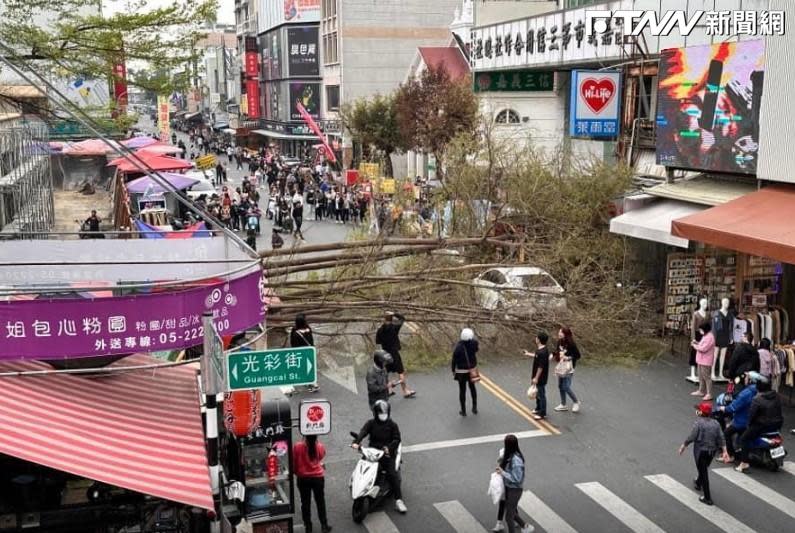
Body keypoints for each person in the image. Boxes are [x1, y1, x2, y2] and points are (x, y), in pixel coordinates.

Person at [352, 400, 406, 513]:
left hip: (386, 453)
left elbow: (397, 439)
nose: (383, 416)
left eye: (384, 413)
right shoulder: (371, 423)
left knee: (392, 474)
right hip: (372, 452)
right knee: (361, 468)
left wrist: (389, 448)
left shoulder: (392, 424)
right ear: (375, 413)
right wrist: (357, 442)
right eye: (381, 413)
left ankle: (399, 500)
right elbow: (363, 431)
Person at [678, 401, 729, 506]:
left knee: (703, 472)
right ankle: (698, 482)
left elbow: (692, 437)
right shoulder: (716, 423)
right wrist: (725, 451)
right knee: (704, 468)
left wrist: (684, 445)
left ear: (701, 412)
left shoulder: (699, 424)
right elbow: (721, 438)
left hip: (701, 451)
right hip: (712, 452)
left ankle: (707, 497)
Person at [736, 375, 783, 473]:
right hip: (777, 424)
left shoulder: (757, 399)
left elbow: (751, 415)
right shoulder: (777, 396)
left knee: (744, 439)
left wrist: (748, 425)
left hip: (762, 426)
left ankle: (744, 463)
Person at [495, 434, 534, 533]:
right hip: (509, 488)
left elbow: (517, 478)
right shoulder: (509, 455)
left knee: (509, 517)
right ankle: (525, 526)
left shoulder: (516, 461)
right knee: (510, 510)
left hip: (514, 490)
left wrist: (503, 473)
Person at [293, 435, 332, 533]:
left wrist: (297, 472)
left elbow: (294, 462)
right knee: (320, 502)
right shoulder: (319, 446)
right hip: (317, 478)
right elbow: (321, 456)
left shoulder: (297, 446)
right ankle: (324, 525)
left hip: (303, 479)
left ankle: (308, 527)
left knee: (305, 503)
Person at [718, 371, 759, 463]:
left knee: (726, 434)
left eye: (747, 377)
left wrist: (724, 408)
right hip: (753, 420)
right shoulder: (758, 391)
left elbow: (733, 407)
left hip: (742, 420)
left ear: (751, 380)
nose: (745, 379)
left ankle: (730, 455)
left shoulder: (746, 393)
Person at [375, 311, 416, 398]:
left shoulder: (380, 330)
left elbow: (377, 342)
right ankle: (405, 391)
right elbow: (402, 318)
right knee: (400, 371)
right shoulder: (394, 327)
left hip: (385, 353)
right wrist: (394, 313)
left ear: (384, 319)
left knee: (386, 371)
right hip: (394, 353)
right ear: (391, 318)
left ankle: (389, 390)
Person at [451, 328, 478, 416]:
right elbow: (476, 349)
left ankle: (463, 411)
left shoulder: (458, 347)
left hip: (461, 372)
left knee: (462, 390)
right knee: (472, 388)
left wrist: (453, 370)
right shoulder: (474, 344)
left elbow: (454, 360)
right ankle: (474, 407)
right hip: (471, 370)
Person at [553, 327, 580, 413]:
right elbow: (557, 352)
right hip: (561, 366)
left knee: (566, 386)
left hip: (569, 367)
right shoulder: (559, 342)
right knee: (560, 385)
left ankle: (576, 402)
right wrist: (552, 355)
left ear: (565, 334)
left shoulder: (571, 344)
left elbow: (578, 356)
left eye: (560, 332)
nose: (559, 333)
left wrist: (567, 357)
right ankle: (563, 404)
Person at [290, 314, 319, 393]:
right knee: (310, 367)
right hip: (309, 351)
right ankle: (313, 383)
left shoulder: (295, 332)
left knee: (304, 368)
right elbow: (311, 341)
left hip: (301, 353)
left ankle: (310, 384)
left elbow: (294, 344)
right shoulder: (308, 329)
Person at [524, 332, 550, 420]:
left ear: (539, 340)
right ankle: (538, 408)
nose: (535, 339)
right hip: (538, 375)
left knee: (541, 394)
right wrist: (528, 354)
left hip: (541, 377)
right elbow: (536, 356)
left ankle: (543, 413)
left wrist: (536, 378)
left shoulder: (542, 352)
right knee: (538, 393)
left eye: (536, 337)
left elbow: (540, 367)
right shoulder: (541, 350)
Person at [691, 322, 715, 401]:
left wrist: (694, 346)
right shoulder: (706, 336)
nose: (700, 331)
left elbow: (703, 349)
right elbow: (702, 345)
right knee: (701, 376)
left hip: (706, 360)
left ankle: (709, 394)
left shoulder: (710, 337)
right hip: (701, 360)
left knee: (707, 377)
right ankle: (701, 391)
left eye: (701, 330)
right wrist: (697, 343)